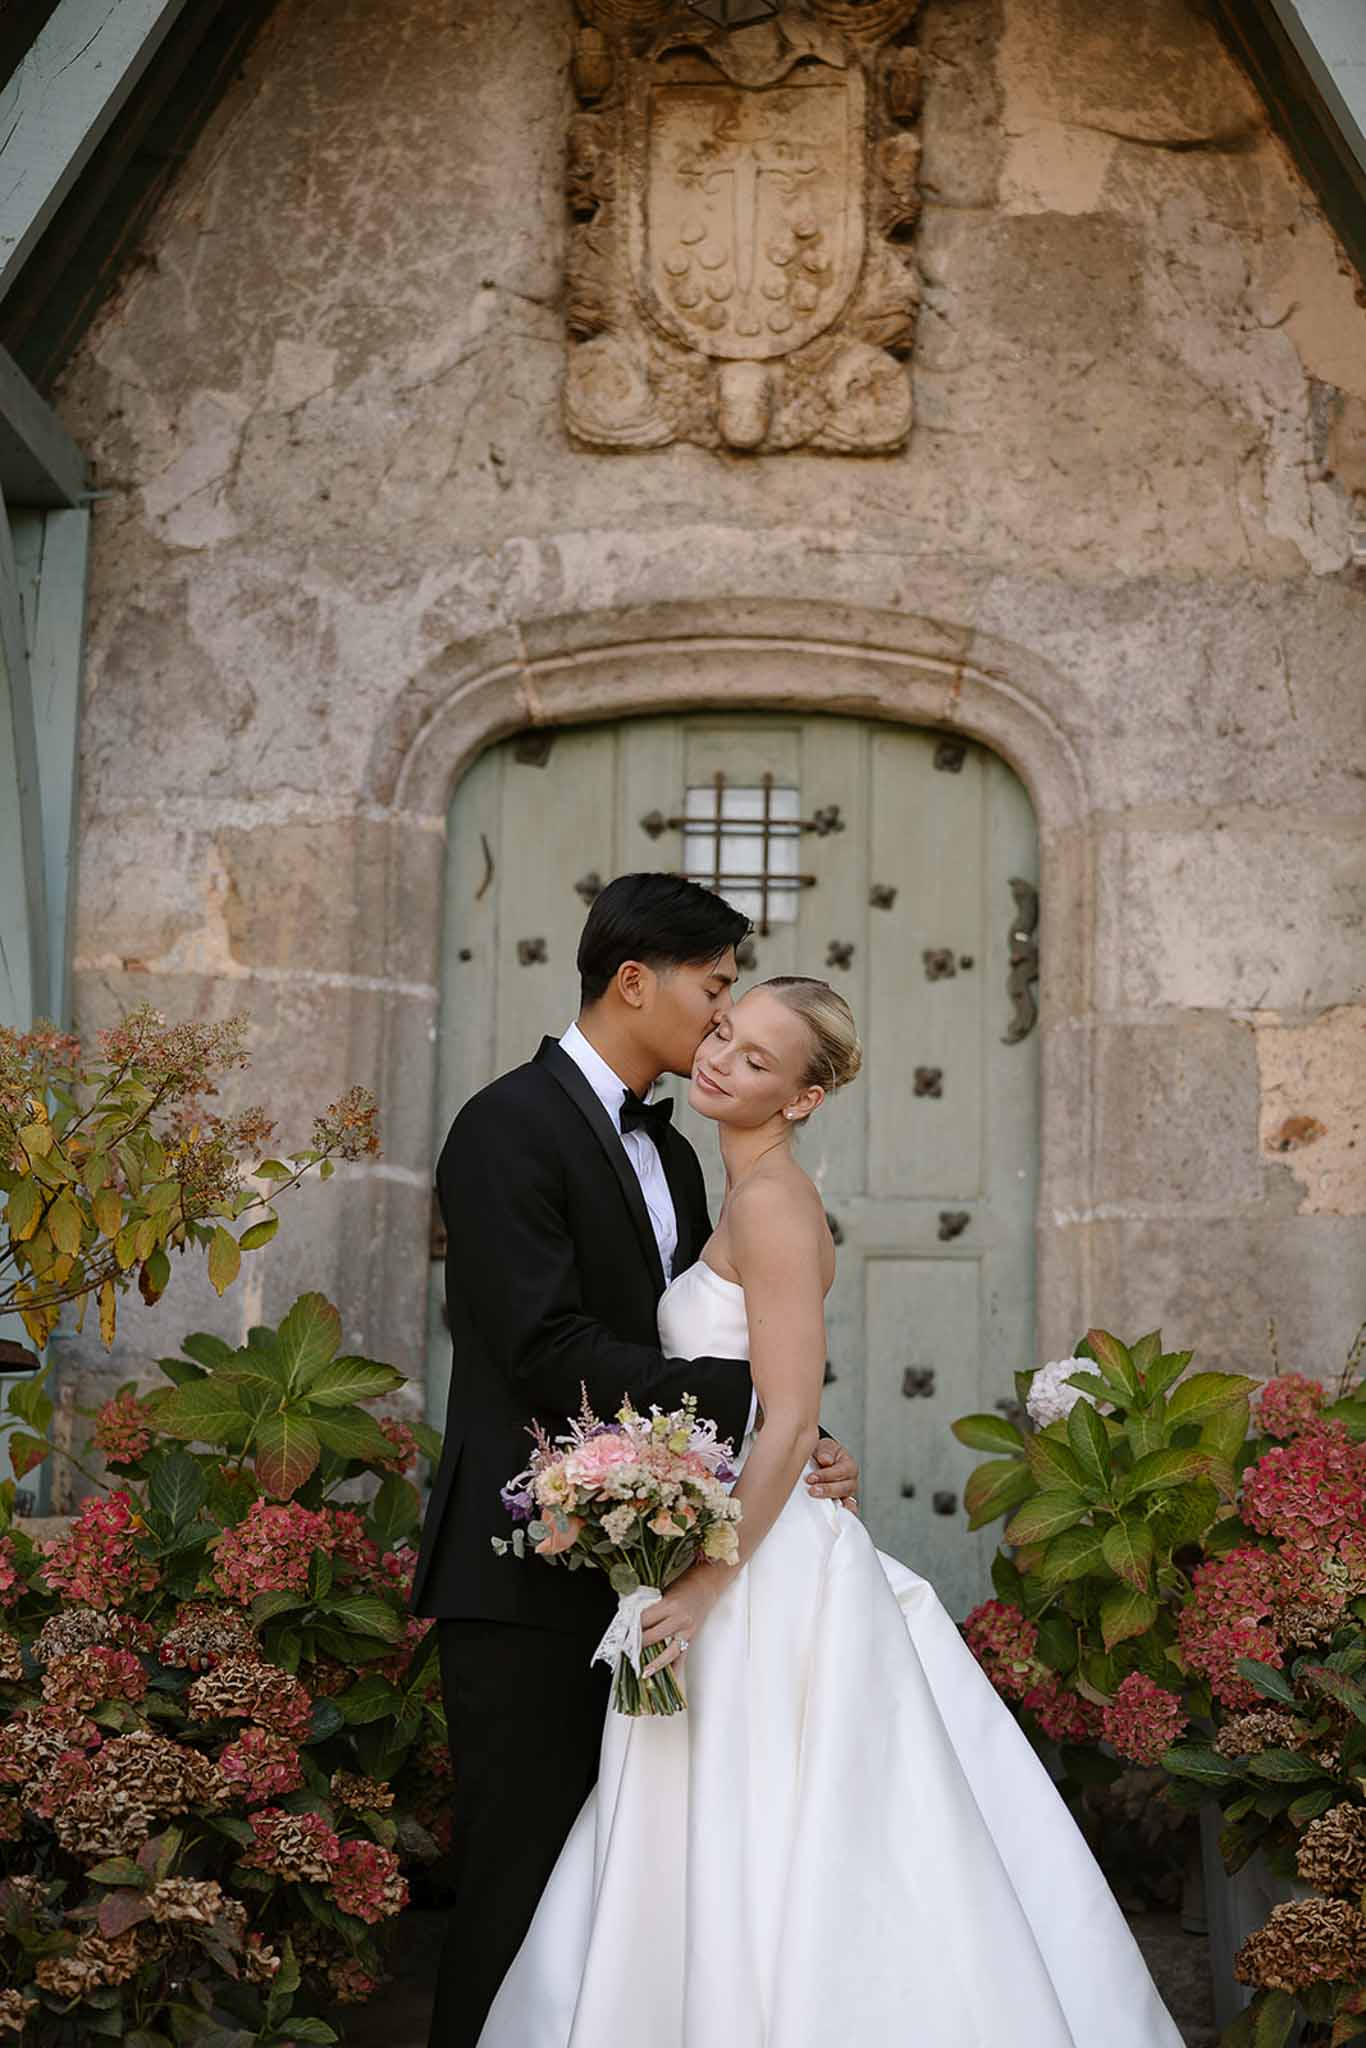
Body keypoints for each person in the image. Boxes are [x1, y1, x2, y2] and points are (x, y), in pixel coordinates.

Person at [475, 976, 1189, 2048]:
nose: (719, 1058)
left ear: (802, 1099)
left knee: (765, 1821)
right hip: (744, 1531)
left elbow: (785, 1410)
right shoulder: (739, 1187)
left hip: (758, 1574)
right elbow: (773, 1399)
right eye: (721, 1031)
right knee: (724, 1821)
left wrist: (706, 1584)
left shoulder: (769, 1203)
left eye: (757, 1059)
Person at [410, 876, 862, 2048]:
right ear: (633, 981)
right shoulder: (506, 1123)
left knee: (625, 1898)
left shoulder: (685, 1155)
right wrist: (769, 1405)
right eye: (714, 994)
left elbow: (705, 1329)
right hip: (522, 1567)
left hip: (641, 1568)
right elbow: (541, 1345)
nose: (720, 1025)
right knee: (515, 1890)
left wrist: (793, 1436)